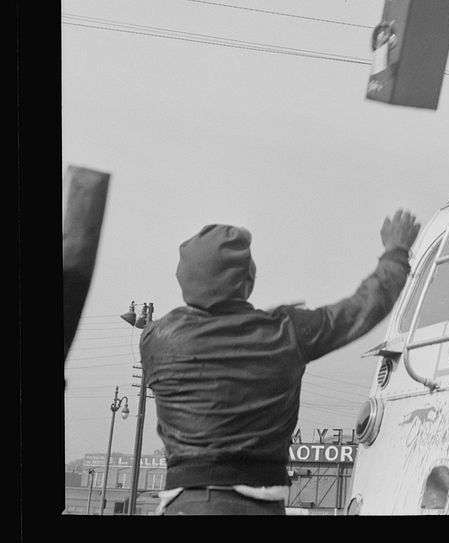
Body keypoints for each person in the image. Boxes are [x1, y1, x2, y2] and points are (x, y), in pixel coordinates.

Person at [139, 209, 420, 515]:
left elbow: (215, 340)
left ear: (183, 279)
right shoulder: (287, 333)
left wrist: (257, 324)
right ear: (248, 279)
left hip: (183, 505)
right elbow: (363, 308)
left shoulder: (156, 340)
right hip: (259, 504)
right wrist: (395, 252)